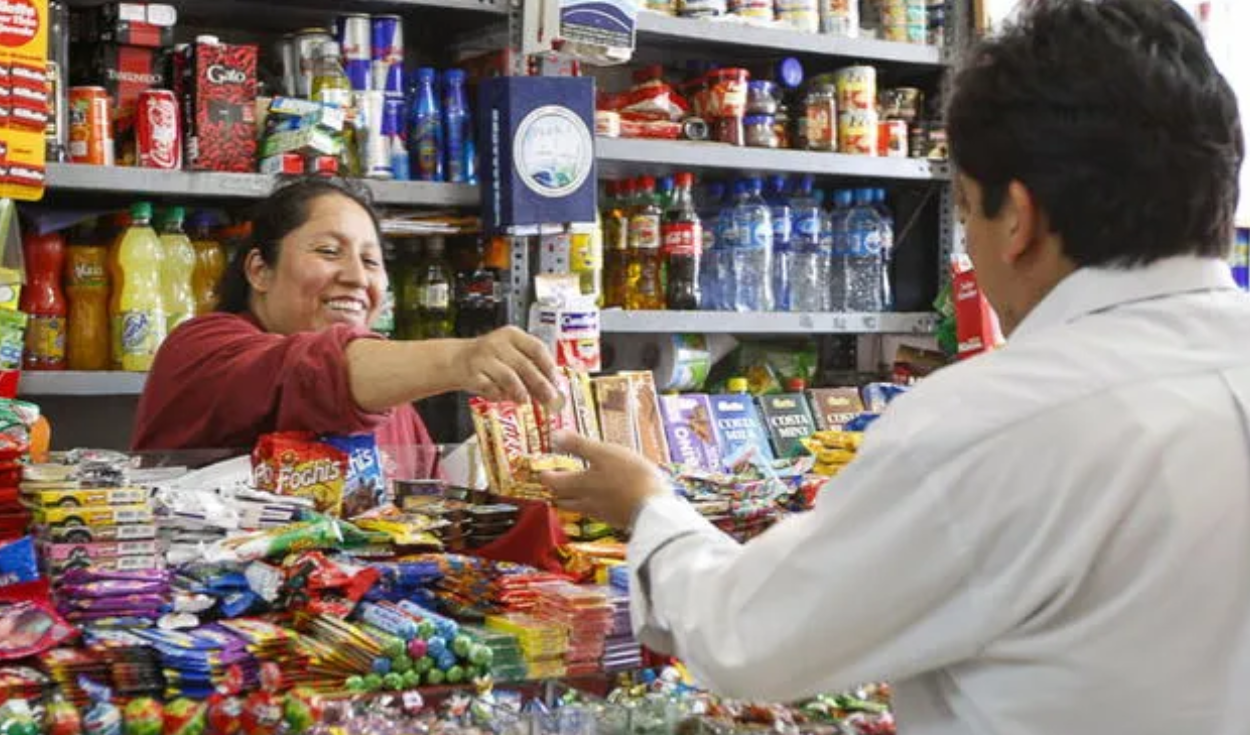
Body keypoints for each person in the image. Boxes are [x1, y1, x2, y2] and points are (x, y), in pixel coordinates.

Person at [541, 1, 1250, 733]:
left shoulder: (994, 423)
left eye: (968, 210)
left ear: (1020, 219)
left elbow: (748, 638)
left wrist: (649, 506)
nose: (968, 246)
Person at [134, 177, 558, 481]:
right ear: (259, 270)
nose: (357, 277)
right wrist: (462, 358)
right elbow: (313, 371)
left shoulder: (392, 399)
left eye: (372, 261)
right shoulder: (200, 349)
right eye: (328, 251)